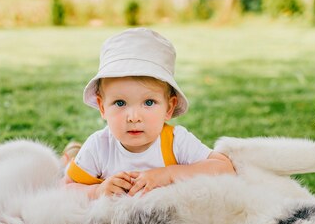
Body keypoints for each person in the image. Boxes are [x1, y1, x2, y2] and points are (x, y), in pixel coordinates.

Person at [64, 28, 235, 199]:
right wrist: (96, 191)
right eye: (120, 103)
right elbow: (65, 188)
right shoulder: (99, 146)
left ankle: (72, 153)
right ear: (102, 107)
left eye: (149, 102)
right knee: (70, 166)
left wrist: (168, 174)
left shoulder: (176, 142)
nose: (133, 117)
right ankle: (70, 156)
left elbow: (224, 168)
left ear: (169, 108)